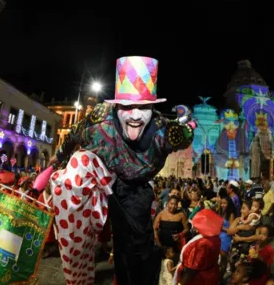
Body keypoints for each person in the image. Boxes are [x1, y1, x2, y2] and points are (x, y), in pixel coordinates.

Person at [33, 56, 196, 285]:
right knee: (78, 165)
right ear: (117, 106)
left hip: (137, 191)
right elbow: (74, 134)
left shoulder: (165, 133)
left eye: (144, 107)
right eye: (128, 107)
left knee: (133, 255)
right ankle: (79, 271)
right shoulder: (100, 122)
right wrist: (56, 159)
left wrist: (188, 122)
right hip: (102, 176)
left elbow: (187, 133)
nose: (136, 115)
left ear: (152, 109)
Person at [173, 209, 222, 285]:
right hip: (210, 275)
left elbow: (191, 270)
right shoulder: (215, 237)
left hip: (197, 279)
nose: (194, 227)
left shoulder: (201, 244)